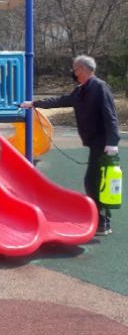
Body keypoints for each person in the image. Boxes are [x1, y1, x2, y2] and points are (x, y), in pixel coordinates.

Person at [21, 55, 120, 236]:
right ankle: (100, 220)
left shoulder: (99, 87)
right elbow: (60, 100)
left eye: (75, 69)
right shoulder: (81, 90)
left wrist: (112, 142)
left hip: (103, 143)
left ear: (82, 69)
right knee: (94, 181)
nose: (73, 73)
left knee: (96, 181)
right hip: (95, 143)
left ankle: (103, 221)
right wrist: (34, 104)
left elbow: (110, 116)